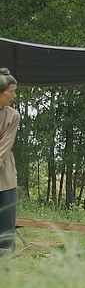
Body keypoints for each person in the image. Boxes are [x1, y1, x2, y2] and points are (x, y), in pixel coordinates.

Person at [0, 68, 19, 257]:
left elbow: (4, 148)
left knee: (5, 226)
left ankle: (5, 266)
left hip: (4, 179)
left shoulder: (13, 116)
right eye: (11, 91)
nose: (14, 96)